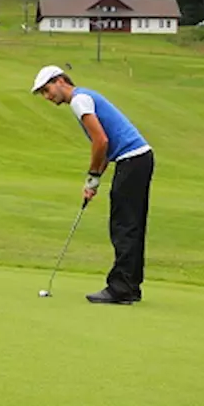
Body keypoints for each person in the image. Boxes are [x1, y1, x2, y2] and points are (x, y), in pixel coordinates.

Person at [31, 65, 154, 304]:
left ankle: (121, 288)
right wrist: (94, 183)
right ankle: (131, 286)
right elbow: (105, 148)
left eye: (47, 90)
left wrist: (92, 176)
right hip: (138, 159)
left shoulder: (79, 100)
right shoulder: (85, 97)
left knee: (124, 226)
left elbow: (101, 141)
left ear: (60, 81)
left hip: (132, 160)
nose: (48, 97)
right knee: (131, 225)